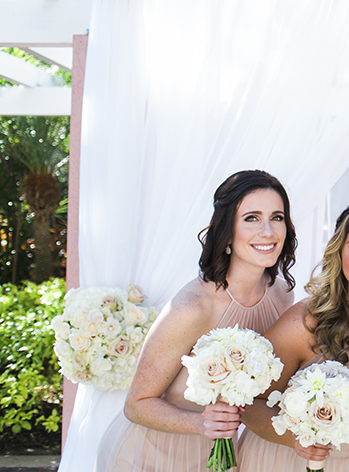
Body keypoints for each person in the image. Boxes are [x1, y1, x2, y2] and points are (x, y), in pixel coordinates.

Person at [96, 169, 297, 472]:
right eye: (251, 218)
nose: (268, 231)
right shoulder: (193, 308)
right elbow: (136, 404)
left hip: (218, 458)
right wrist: (201, 423)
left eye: (277, 217)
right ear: (227, 233)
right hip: (148, 456)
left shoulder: (281, 294)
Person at [237, 196, 349, 472]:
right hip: (287, 462)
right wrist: (297, 439)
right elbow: (250, 402)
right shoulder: (306, 322)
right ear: (339, 253)